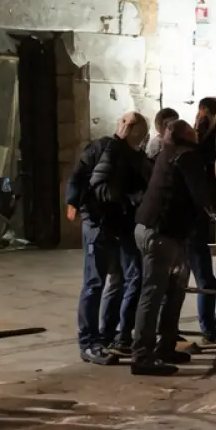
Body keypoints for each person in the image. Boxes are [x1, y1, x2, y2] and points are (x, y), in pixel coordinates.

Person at [130, 120, 216, 376]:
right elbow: (202, 196)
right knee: (154, 293)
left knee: (174, 290)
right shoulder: (187, 156)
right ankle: (142, 356)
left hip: (162, 231)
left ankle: (166, 346)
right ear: (185, 136)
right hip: (161, 233)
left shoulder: (168, 153)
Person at [66, 111, 149, 365]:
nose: (132, 131)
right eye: (128, 125)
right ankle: (89, 342)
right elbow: (81, 176)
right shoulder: (102, 147)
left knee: (124, 279)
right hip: (98, 222)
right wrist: (73, 203)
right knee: (95, 282)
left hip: (122, 224)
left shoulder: (136, 157)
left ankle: (110, 336)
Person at [89, 112, 153, 358]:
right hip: (119, 225)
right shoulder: (113, 151)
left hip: (127, 224)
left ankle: (114, 333)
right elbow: (100, 185)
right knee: (128, 278)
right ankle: (118, 335)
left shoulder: (135, 155)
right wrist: (130, 200)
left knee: (123, 280)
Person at [188, 97, 216, 344]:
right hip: (194, 220)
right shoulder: (192, 150)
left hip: (208, 215)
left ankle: (212, 325)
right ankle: (210, 326)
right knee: (205, 277)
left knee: (212, 276)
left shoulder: (209, 144)